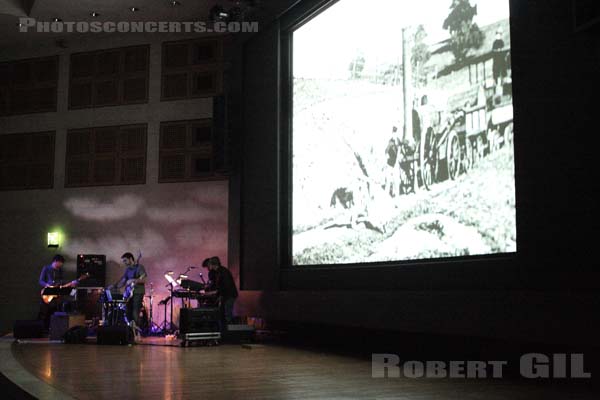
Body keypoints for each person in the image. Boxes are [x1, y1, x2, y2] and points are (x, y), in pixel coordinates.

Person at [38, 255, 78, 330]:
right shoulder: (46, 268)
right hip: (47, 294)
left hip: (56, 295)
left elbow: (61, 282)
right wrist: (47, 285)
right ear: (56, 261)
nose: (61, 265)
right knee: (45, 313)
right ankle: (43, 329)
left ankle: (53, 329)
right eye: (60, 263)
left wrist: (71, 284)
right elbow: (40, 281)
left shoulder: (60, 271)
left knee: (54, 311)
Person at [107, 252, 146, 329]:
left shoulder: (140, 267)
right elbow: (123, 281)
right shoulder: (128, 270)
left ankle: (137, 332)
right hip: (129, 294)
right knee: (128, 312)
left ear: (131, 259)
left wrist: (133, 280)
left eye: (125, 260)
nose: (124, 263)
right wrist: (114, 286)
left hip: (138, 292)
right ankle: (132, 330)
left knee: (135, 312)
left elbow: (144, 279)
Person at [202, 256, 238, 327]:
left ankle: (229, 332)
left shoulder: (223, 272)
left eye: (209, 265)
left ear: (212, 264)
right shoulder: (218, 272)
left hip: (229, 295)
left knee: (227, 314)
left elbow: (226, 287)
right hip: (225, 295)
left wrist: (214, 292)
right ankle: (225, 330)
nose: (208, 267)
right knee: (223, 314)